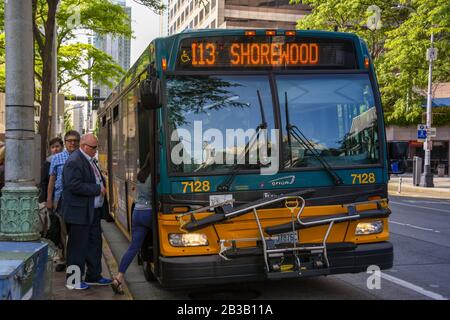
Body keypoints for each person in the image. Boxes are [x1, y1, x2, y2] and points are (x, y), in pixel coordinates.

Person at [62, 133, 112, 290]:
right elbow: (73, 185)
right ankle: (73, 280)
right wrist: (97, 189)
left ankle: (93, 276)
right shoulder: (75, 161)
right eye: (94, 148)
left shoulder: (87, 159)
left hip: (91, 212)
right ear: (84, 146)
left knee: (94, 244)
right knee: (77, 248)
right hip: (79, 213)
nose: (96, 151)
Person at [111, 153, 152, 294]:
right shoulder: (156, 176)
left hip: (137, 213)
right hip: (149, 213)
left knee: (133, 248)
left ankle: (118, 278)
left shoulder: (142, 174)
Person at [47, 130, 80, 272]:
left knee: (76, 232)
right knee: (62, 231)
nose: (72, 143)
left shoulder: (82, 158)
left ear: (79, 143)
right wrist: (49, 199)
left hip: (78, 201)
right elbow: (52, 180)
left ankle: (74, 260)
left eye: (75, 141)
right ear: (65, 142)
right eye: (69, 140)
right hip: (60, 200)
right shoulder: (57, 158)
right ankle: (63, 259)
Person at [39, 137, 63, 203]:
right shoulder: (47, 162)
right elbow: (44, 182)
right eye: (53, 147)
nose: (55, 149)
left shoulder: (67, 160)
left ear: (62, 147)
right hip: (51, 196)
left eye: (57, 146)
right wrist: (44, 199)